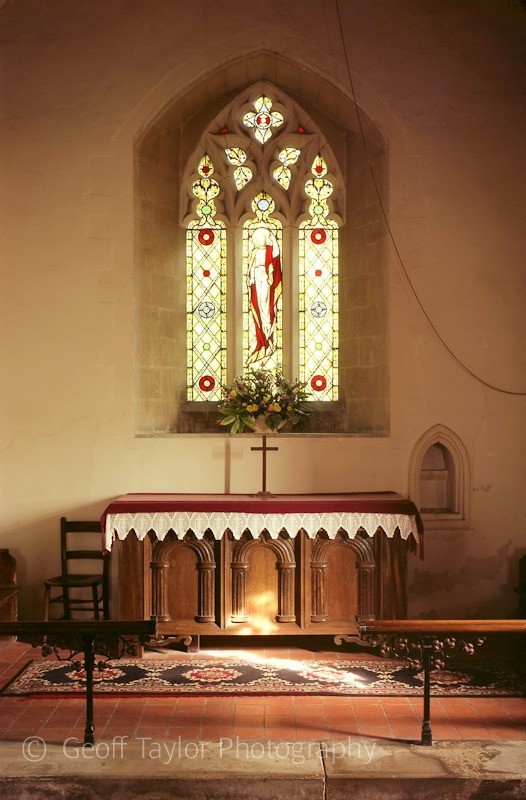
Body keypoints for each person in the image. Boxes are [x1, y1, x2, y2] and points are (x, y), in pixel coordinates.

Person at [247, 227, 282, 364]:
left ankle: (269, 333)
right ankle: (263, 336)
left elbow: (276, 255)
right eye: (258, 238)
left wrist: (274, 241)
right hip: (256, 277)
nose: (260, 240)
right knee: (259, 305)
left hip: (265, 277)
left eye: (262, 238)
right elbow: (250, 266)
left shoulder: (269, 250)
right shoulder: (254, 251)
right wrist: (250, 277)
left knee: (265, 304)